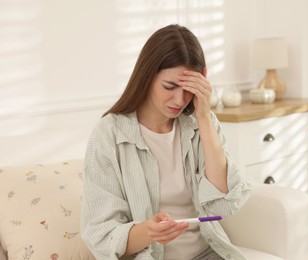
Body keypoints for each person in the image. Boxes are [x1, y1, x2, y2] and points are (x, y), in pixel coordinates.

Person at [81, 24, 251, 260]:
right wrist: (147, 232)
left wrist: (203, 117)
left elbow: (223, 204)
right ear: (147, 77)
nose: (180, 100)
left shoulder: (200, 124)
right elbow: (100, 235)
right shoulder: (110, 134)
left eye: (188, 89)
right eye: (169, 87)